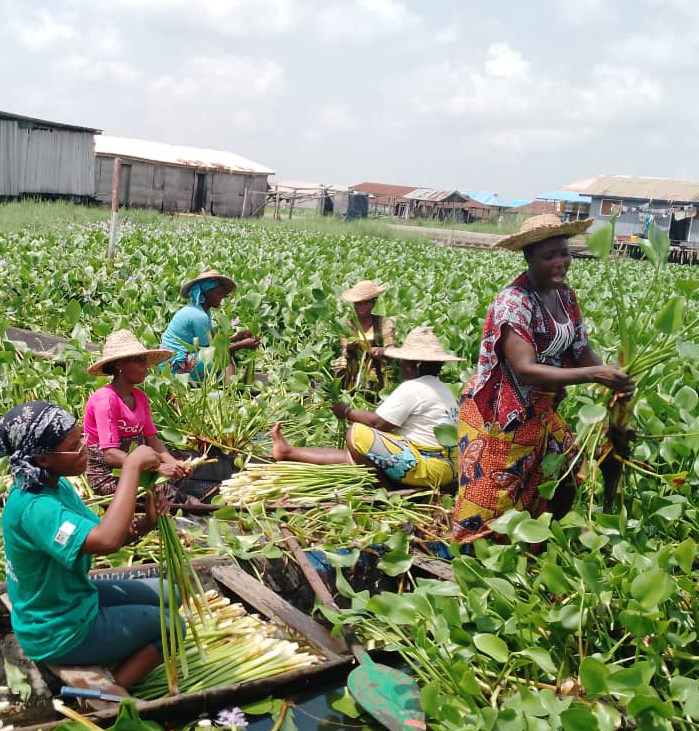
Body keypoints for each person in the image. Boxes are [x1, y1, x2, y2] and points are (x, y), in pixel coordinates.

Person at [451, 214, 634, 543]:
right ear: (529, 257)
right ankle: (478, 566)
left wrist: (613, 377)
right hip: (502, 414)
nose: (560, 262)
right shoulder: (514, 303)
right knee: (495, 499)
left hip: (542, 409)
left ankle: (541, 544)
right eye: (549, 256)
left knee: (565, 475)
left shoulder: (564, 296)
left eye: (564, 253)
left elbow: (581, 352)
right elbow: (525, 368)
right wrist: (594, 375)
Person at [0, 401, 180, 690]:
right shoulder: (36, 508)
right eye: (74, 444)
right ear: (42, 459)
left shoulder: (55, 483)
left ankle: (115, 649)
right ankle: (110, 696)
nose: (85, 447)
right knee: (173, 627)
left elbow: (100, 535)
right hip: (57, 629)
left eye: (81, 437)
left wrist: (145, 524)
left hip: (75, 597)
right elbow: (108, 540)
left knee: (172, 593)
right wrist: (131, 466)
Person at [272, 327, 463, 490]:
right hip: (449, 469)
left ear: (416, 365)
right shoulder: (442, 388)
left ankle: (387, 489)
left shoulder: (414, 387)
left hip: (430, 468)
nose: (399, 366)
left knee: (357, 434)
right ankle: (287, 452)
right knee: (360, 455)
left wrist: (347, 412)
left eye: (402, 362)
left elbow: (379, 423)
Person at [84, 330, 198, 506]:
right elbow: (110, 455)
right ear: (120, 365)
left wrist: (173, 463)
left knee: (181, 464)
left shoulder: (140, 397)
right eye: (139, 362)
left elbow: (151, 439)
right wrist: (158, 467)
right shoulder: (106, 399)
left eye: (145, 362)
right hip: (108, 472)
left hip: (138, 464)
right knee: (174, 496)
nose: (145, 368)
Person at [160, 269, 260, 381]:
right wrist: (241, 345)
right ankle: (229, 392)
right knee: (225, 355)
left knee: (224, 353)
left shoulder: (202, 310)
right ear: (205, 293)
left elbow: (213, 341)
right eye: (218, 294)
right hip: (173, 365)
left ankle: (226, 384)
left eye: (222, 294)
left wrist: (237, 337)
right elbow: (211, 351)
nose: (221, 297)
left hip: (178, 358)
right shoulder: (198, 316)